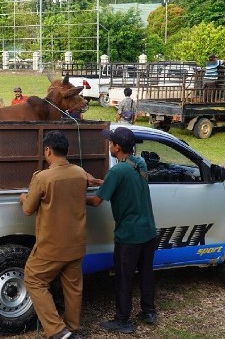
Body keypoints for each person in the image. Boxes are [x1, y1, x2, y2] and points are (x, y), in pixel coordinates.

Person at [86, 127, 158, 334]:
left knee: (124, 278)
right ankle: (148, 311)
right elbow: (121, 182)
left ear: (117, 147)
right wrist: (96, 181)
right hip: (148, 232)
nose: (109, 146)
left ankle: (122, 320)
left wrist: (71, 197)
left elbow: (97, 201)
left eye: (111, 144)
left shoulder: (117, 171)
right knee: (146, 274)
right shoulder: (139, 163)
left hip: (129, 236)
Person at [20, 130, 88, 339]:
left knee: (33, 279)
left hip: (51, 245)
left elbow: (28, 209)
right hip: (76, 243)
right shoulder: (80, 173)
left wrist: (24, 197)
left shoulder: (43, 177)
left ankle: (57, 331)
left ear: (48, 150)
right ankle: (73, 327)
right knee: (73, 286)